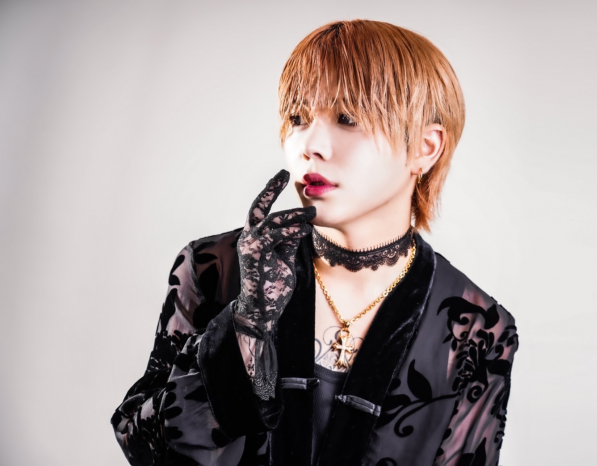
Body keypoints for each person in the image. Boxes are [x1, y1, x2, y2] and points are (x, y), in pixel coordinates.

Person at [110, 19, 520, 466]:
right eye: (298, 118)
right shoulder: (215, 267)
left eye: (348, 119)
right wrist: (244, 328)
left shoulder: (478, 327)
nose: (311, 145)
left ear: (425, 148)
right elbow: (141, 444)